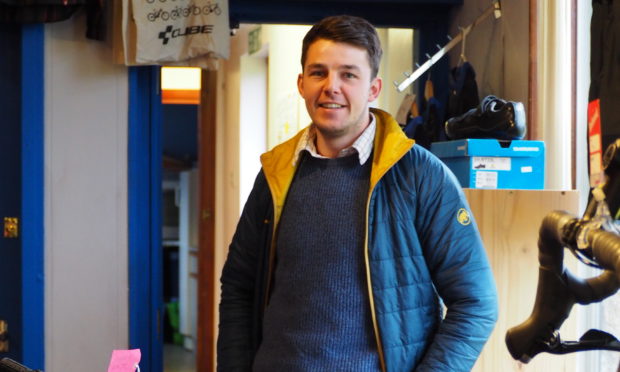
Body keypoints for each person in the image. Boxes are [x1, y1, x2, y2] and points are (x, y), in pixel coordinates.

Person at [217, 15, 498, 372]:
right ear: (302, 83)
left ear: (373, 89)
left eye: (348, 74)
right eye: (319, 73)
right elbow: (238, 285)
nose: (331, 87)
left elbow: (476, 303)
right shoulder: (276, 173)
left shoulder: (420, 176)